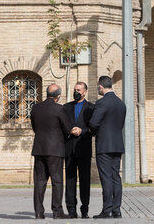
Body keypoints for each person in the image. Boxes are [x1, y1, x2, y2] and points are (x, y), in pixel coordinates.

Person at [30, 84, 73, 219]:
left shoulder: (35, 108)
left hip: (39, 149)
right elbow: (67, 128)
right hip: (55, 149)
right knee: (57, 180)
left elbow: (35, 127)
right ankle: (57, 211)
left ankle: (38, 212)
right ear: (58, 96)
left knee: (39, 182)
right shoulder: (59, 109)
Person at [89, 75, 126, 219]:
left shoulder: (102, 103)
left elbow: (93, 123)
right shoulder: (121, 103)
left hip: (104, 145)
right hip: (117, 144)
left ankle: (107, 210)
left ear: (100, 86)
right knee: (116, 177)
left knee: (106, 178)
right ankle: (117, 210)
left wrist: (93, 131)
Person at [63, 81, 95, 219]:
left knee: (85, 181)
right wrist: (69, 130)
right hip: (69, 149)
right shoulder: (66, 107)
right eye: (75, 89)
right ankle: (71, 210)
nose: (77, 91)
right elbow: (61, 125)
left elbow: (94, 128)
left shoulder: (91, 108)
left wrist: (82, 131)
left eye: (79, 90)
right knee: (70, 181)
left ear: (85, 92)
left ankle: (84, 210)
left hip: (84, 148)